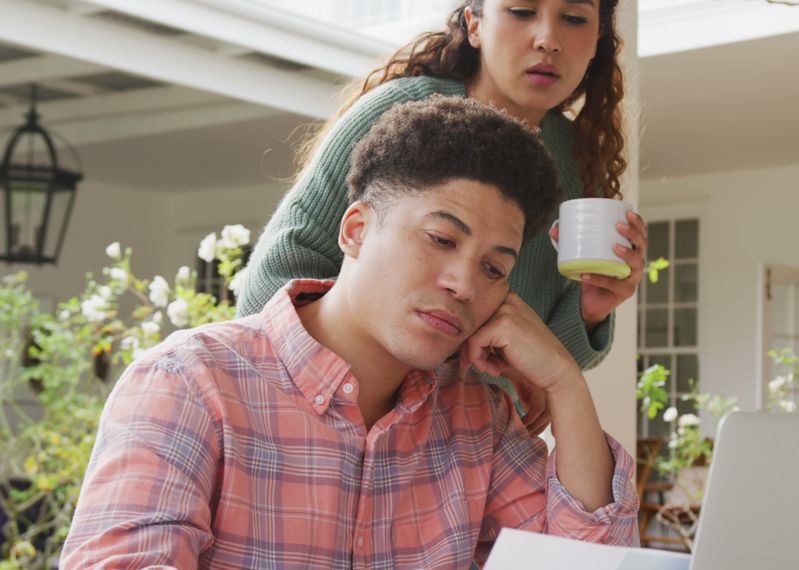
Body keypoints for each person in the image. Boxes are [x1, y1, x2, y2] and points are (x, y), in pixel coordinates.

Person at [60, 97, 638, 570]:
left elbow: (584, 561)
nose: (464, 283)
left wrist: (563, 380)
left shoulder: (476, 417)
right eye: (440, 239)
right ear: (356, 230)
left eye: (494, 268)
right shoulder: (189, 383)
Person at [237, 0, 648, 426]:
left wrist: (588, 310)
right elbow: (273, 281)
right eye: (522, 12)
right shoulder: (396, 115)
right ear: (474, 24)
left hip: (463, 451)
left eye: (575, 19)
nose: (548, 39)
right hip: (329, 419)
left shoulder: (580, 164)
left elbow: (532, 374)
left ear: (598, 39)